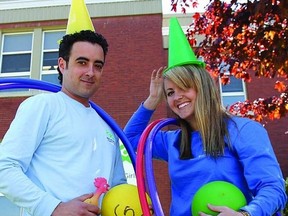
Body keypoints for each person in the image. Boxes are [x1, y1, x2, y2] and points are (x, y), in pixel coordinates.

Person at [124, 17, 287, 216]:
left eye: (184, 87)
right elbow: (129, 141)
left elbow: (273, 188)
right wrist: (151, 100)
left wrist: (246, 214)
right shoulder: (173, 142)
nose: (177, 97)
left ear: (202, 87)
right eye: (170, 93)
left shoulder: (242, 130)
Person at [0, 29, 126, 216]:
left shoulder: (107, 124)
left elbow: (117, 187)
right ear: (62, 64)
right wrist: (54, 207)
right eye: (82, 62)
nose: (90, 72)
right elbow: (4, 167)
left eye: (98, 65)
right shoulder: (43, 106)